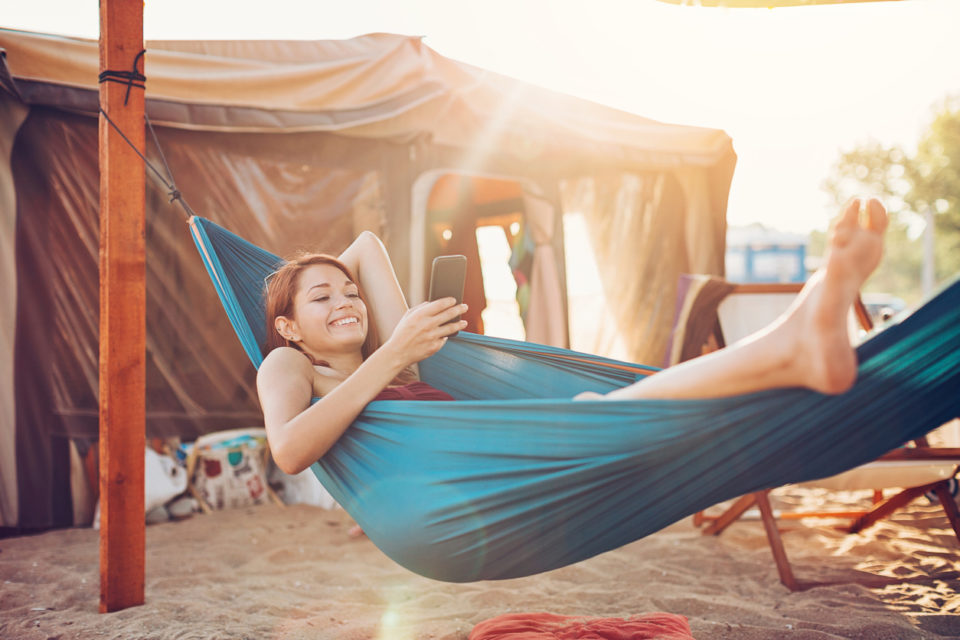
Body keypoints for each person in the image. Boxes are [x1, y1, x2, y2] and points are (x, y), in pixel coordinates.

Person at [257, 197, 888, 477]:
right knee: (601, 418)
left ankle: (793, 350)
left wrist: (323, 294)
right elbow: (288, 451)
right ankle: (793, 340)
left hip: (487, 444)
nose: (347, 301)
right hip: (461, 471)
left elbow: (365, 248)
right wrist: (375, 342)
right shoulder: (290, 365)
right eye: (324, 300)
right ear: (287, 328)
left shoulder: (390, 361)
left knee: (608, 415)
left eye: (351, 293)